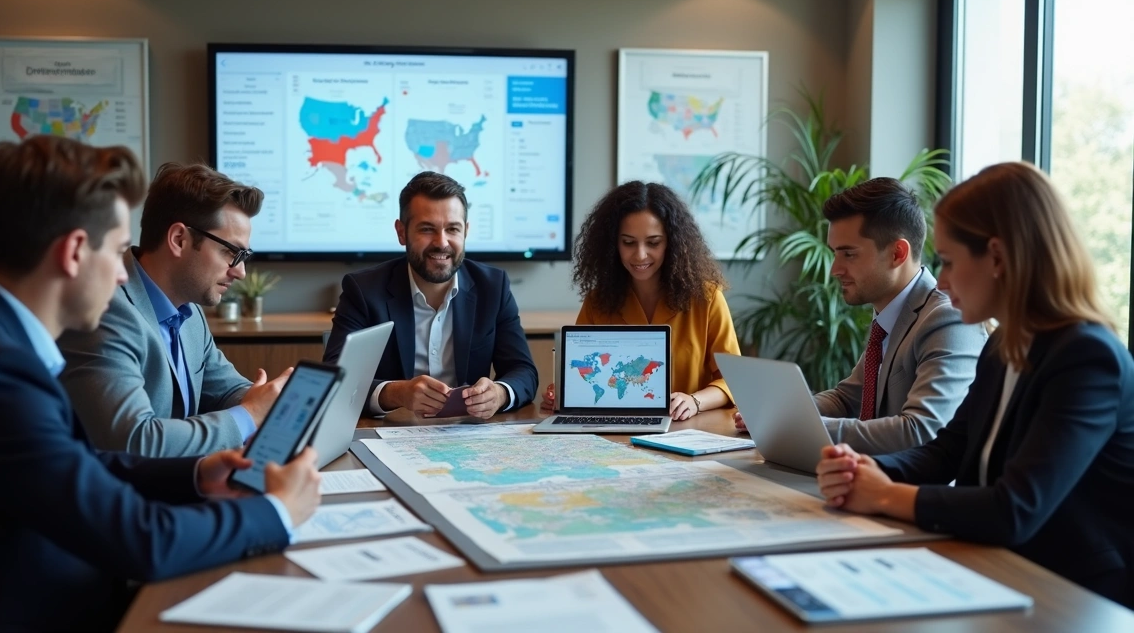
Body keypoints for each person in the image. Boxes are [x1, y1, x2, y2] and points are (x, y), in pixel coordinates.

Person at [0, 136, 321, 631]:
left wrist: (195, 474)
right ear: (73, 253)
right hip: (57, 609)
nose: (121, 276)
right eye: (114, 252)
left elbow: (74, 462)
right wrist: (278, 513)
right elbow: (141, 541)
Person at [816, 162, 1134, 607]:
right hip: (995, 567)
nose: (940, 281)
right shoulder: (1005, 341)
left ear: (999, 258)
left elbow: (1014, 510)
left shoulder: (1087, 357)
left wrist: (886, 495)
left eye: (947, 261)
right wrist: (864, 472)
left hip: (1072, 594)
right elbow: (948, 450)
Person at [735, 177, 987, 453]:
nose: (835, 269)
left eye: (848, 254)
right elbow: (847, 398)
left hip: (914, 489)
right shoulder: (890, 314)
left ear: (897, 253)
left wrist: (794, 425)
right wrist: (776, 413)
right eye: (834, 253)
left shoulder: (947, 319)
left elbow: (921, 430)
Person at [58, 162, 291, 457]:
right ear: (179, 240)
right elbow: (133, 441)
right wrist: (250, 414)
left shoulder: (189, 310)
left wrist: (277, 404)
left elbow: (223, 389)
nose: (241, 272)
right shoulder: (104, 311)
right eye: (231, 252)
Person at [323, 171, 538, 418]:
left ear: (465, 231)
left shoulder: (493, 287)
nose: (442, 242)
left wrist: (499, 393)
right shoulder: (363, 290)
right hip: (391, 431)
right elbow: (335, 379)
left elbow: (524, 372)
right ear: (401, 232)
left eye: (453, 229)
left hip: (468, 435)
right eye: (427, 229)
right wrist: (396, 393)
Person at [543, 181, 740, 421]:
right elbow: (586, 376)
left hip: (688, 430)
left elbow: (733, 381)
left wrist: (694, 401)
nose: (640, 255)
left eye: (654, 242)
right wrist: (562, 394)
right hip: (614, 434)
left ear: (673, 243)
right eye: (628, 242)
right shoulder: (598, 301)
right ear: (613, 244)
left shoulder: (706, 299)